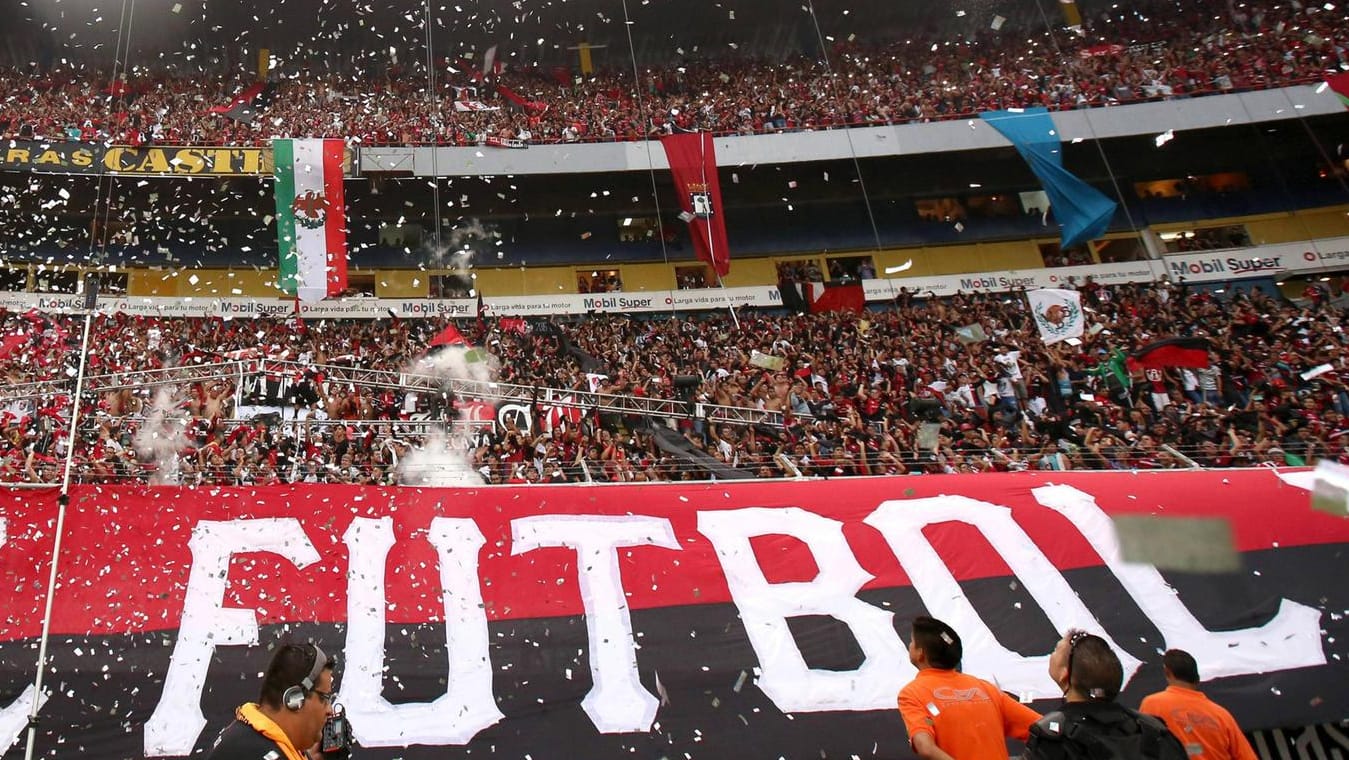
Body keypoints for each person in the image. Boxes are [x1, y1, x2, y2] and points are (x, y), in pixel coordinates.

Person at [1025, 629, 1187, 760]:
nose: (1052, 655)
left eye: (1055, 650)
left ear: (1064, 674)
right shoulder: (1155, 731)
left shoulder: (1053, 738)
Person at [897, 616, 1041, 759]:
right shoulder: (984, 688)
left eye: (912, 641)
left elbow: (925, 747)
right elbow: (1045, 729)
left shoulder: (912, 693)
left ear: (920, 653)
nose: (909, 645)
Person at [207, 642, 337, 760]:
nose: (329, 710)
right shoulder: (257, 750)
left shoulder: (248, 737)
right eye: (325, 698)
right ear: (295, 698)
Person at [1139, 650, 1258, 760]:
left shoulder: (1153, 704)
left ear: (1167, 672)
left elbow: (1140, 749)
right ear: (1197, 678)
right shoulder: (1222, 715)